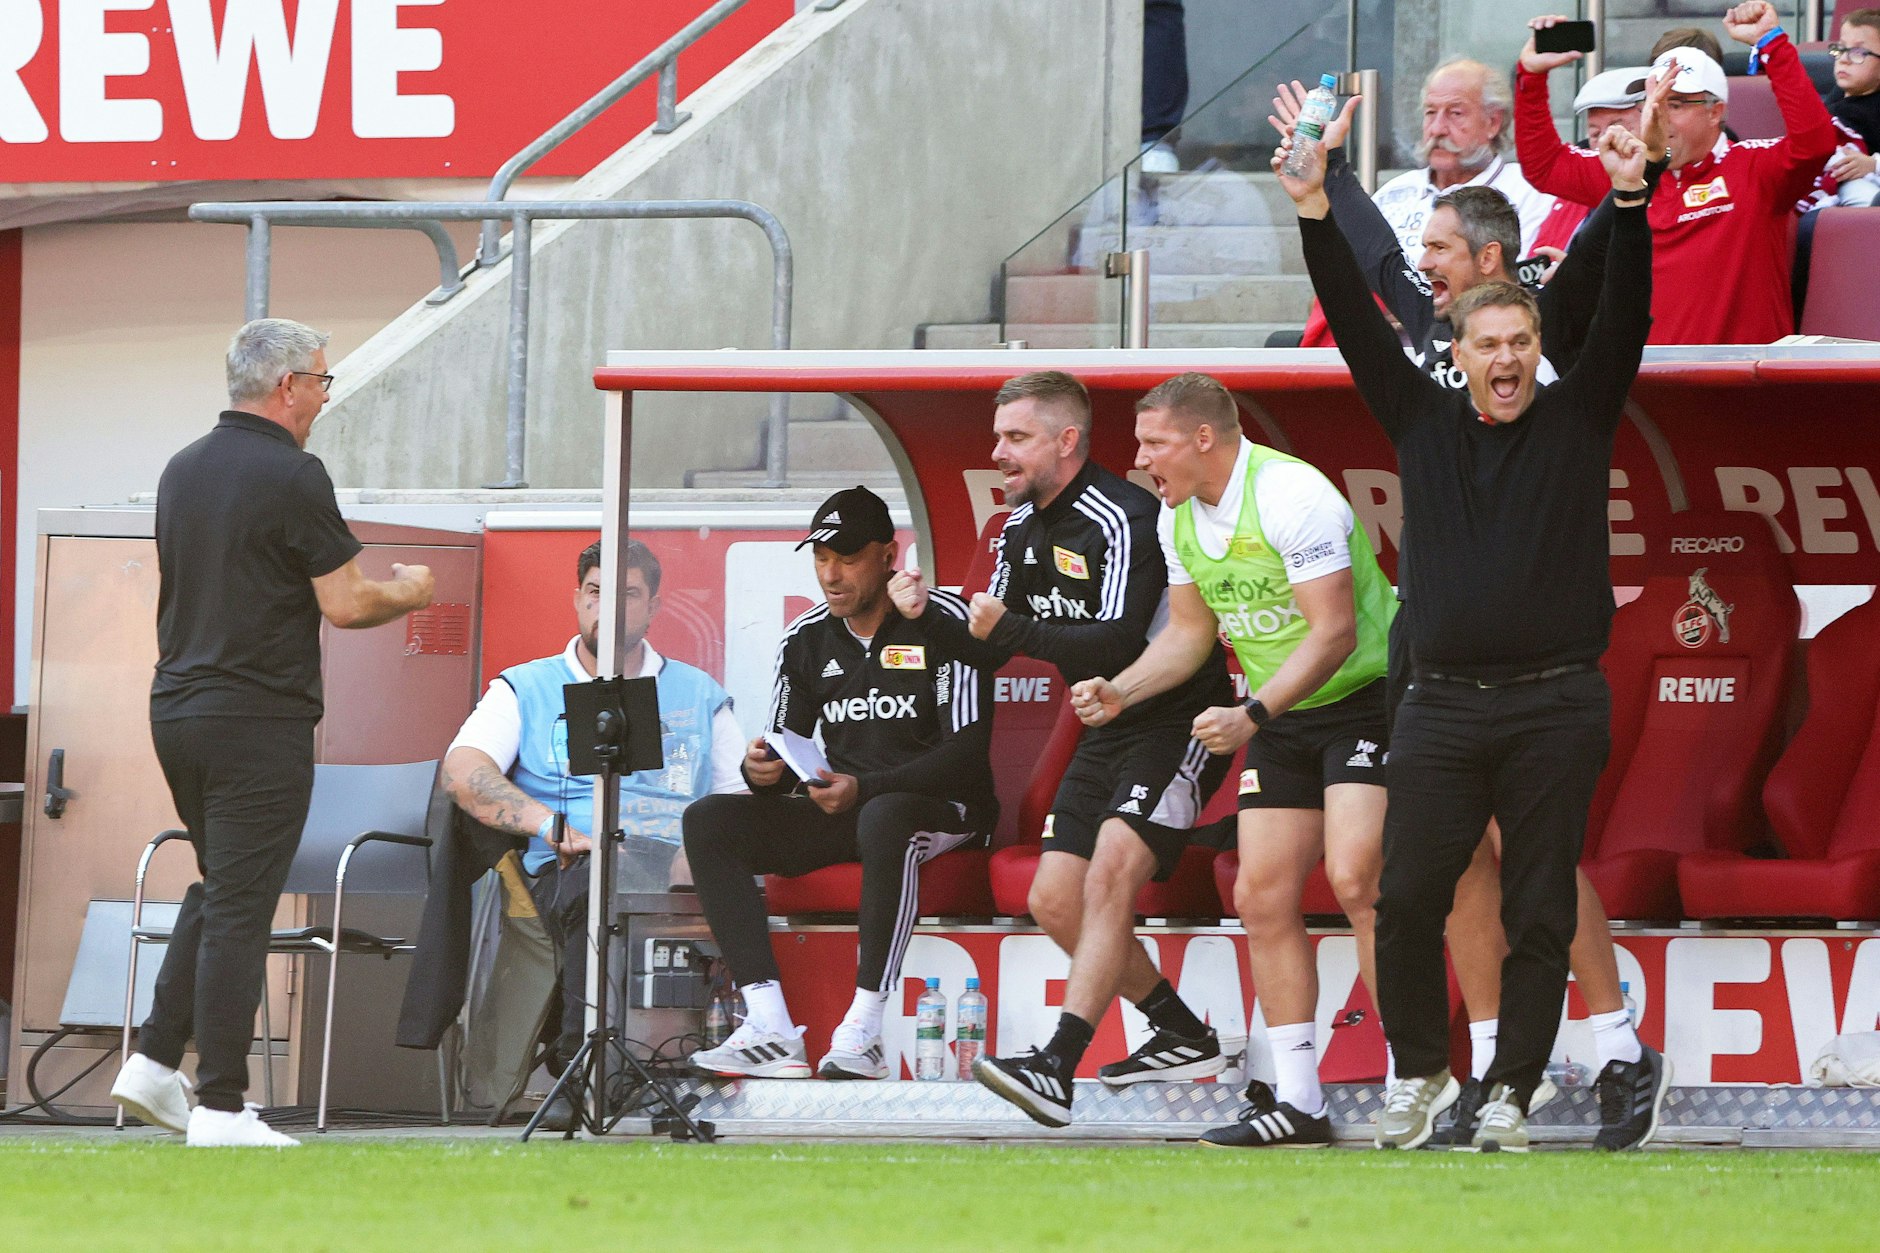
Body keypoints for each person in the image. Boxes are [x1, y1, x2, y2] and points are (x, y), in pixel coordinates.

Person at [1277, 78, 1673, 1151]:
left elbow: (1625, 311)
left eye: (1515, 344)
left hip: (1554, 702)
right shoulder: (1414, 415)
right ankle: (1421, 1075)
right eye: (1483, 346)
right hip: (1441, 705)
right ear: (1455, 352)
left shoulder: (1579, 414)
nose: (1501, 360)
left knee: (1539, 905)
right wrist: (1313, 207)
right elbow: (1357, 315)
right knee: (1405, 896)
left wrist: (1631, 198)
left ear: (1530, 345)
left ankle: (1511, 1087)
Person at [1004, 372, 1397, 1147]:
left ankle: (1419, 1076)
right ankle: (1299, 1099)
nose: (1142, 458)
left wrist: (1252, 711)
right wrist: (1121, 690)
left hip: (1365, 696)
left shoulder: (1292, 494)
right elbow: (1186, 636)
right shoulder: (1179, 518)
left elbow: (1334, 634)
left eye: (1153, 443)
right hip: (1281, 716)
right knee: (1259, 894)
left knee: (1357, 875)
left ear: (1204, 438)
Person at [108, 319, 434, 1148]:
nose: (327, 396)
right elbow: (348, 602)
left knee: (222, 887)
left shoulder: (181, 469)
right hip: (256, 718)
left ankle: (151, 1063)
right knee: (244, 904)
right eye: (323, 382)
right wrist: (413, 590)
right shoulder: (295, 475)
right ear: (287, 386)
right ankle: (220, 1104)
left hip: (176, 710)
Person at [890, 372, 1232, 1127]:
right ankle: (1182, 1030)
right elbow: (984, 652)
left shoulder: (1125, 515)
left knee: (1110, 872)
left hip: (1178, 720)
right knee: (1050, 898)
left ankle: (1055, 1063)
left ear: (1066, 441)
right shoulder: (1015, 529)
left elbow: (1113, 639)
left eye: (1016, 438)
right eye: (999, 436)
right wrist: (923, 618)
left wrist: (1006, 627)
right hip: (1104, 724)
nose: (998, 452)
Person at [683, 487, 997, 1081]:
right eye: (821, 558)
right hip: (850, 806)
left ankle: (865, 1029)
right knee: (710, 820)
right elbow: (786, 747)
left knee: (885, 816)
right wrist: (764, 772)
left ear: (888, 555)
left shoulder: (941, 619)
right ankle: (769, 1025)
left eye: (847, 558)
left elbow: (967, 753)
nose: (832, 574)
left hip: (945, 809)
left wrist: (867, 787)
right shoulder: (804, 636)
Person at [442, 538, 743, 1129]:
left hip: (678, 860)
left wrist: (700, 849)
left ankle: (710, 1067)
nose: (608, 607)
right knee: (595, 883)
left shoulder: (699, 693)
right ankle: (592, 1076)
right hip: (570, 859)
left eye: (627, 594)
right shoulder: (525, 686)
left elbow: (738, 800)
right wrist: (544, 824)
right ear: (576, 599)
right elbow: (463, 771)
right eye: (595, 592)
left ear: (654, 606)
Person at [1515, 5, 1836, 343]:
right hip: (1643, 385)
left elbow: (1815, 143)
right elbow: (1545, 165)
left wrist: (1773, 44)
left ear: (1716, 113)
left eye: (1677, 104)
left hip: (1737, 383)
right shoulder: (1624, 170)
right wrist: (1531, 76)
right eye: (1654, 100)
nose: (1659, 115)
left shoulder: (1755, 169)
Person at [1299, 58, 1562, 346]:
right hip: (1382, 355)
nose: (1437, 128)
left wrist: (1413, 302)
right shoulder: (1395, 191)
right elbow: (1349, 273)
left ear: (1493, 122)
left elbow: (1521, 283)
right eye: (1430, 113)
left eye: (1455, 114)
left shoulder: (1532, 193)